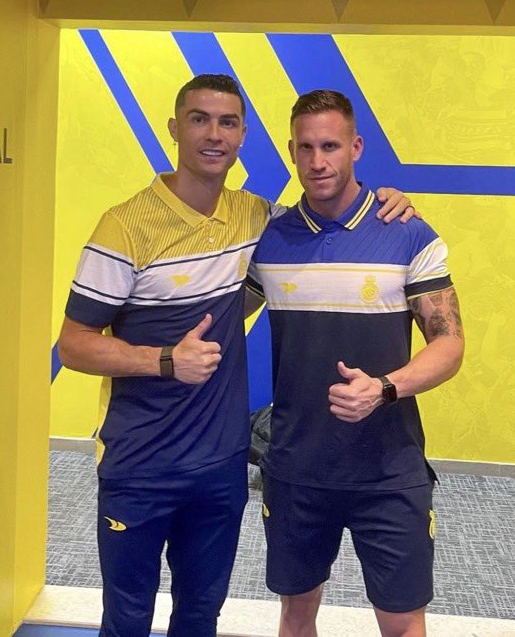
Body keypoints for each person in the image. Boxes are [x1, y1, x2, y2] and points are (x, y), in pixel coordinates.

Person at [57, 74, 418, 637]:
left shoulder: (258, 219)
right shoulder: (123, 226)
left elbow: (325, 218)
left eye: (227, 122)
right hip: (141, 462)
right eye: (199, 119)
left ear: (243, 135)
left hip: (221, 465)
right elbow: (73, 344)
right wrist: (164, 360)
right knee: (126, 619)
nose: (214, 134)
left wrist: (385, 202)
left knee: (200, 616)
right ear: (174, 128)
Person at [246, 89, 465, 637]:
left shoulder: (408, 233)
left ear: (356, 147)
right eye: (305, 148)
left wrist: (384, 388)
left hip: (388, 471)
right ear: (291, 151)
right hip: (296, 468)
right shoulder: (269, 240)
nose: (317, 161)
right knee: (296, 615)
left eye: (330, 146)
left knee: (402, 623)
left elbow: (450, 346)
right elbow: (216, 312)